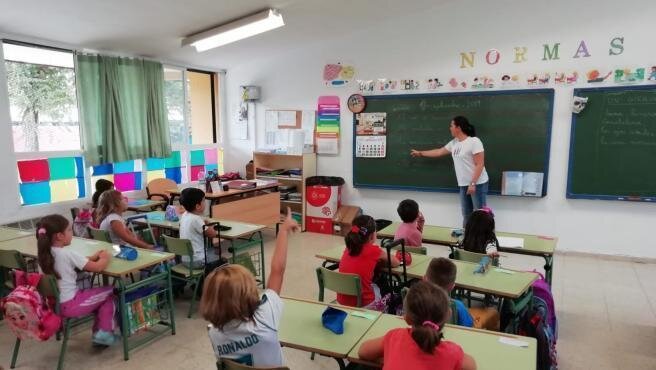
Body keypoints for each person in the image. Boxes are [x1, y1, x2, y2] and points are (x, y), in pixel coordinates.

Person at [200, 208, 299, 367]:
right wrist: (283, 230)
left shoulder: (214, 333)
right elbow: (277, 270)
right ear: (249, 294)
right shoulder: (265, 317)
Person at [36, 214, 118, 346]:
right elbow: (98, 268)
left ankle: (100, 334)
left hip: (54, 305)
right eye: (69, 230)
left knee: (100, 297)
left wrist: (91, 257)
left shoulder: (43, 254)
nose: (71, 232)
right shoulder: (67, 254)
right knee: (111, 293)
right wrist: (105, 257)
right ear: (59, 236)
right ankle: (104, 333)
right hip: (71, 304)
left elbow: (75, 262)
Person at [358, 281, 477, 370]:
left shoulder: (394, 337)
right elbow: (472, 366)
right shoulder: (452, 352)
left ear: (406, 318)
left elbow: (363, 351)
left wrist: (390, 356)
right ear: (448, 315)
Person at [410, 116, 489, 226]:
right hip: (463, 185)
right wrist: (421, 153)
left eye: (452, 126)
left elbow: (479, 164)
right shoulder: (454, 143)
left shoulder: (474, 141)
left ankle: (485, 239)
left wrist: (473, 183)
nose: (450, 128)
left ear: (459, 127)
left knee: (481, 215)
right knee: (466, 214)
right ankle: (467, 239)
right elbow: (439, 152)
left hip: (477, 184)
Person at [337, 215, 400, 308]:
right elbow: (396, 262)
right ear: (371, 236)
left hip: (341, 302)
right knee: (383, 283)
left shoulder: (348, 248)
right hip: (364, 304)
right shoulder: (373, 250)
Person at [424, 257, 473, 327]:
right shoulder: (458, 306)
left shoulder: (414, 300)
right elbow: (468, 328)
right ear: (452, 286)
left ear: (424, 279)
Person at [178, 187, 220, 269]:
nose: (205, 203)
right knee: (223, 260)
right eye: (204, 201)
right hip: (198, 261)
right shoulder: (197, 219)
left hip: (185, 259)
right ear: (198, 206)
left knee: (212, 253)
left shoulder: (184, 215)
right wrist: (210, 225)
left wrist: (204, 224)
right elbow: (212, 234)